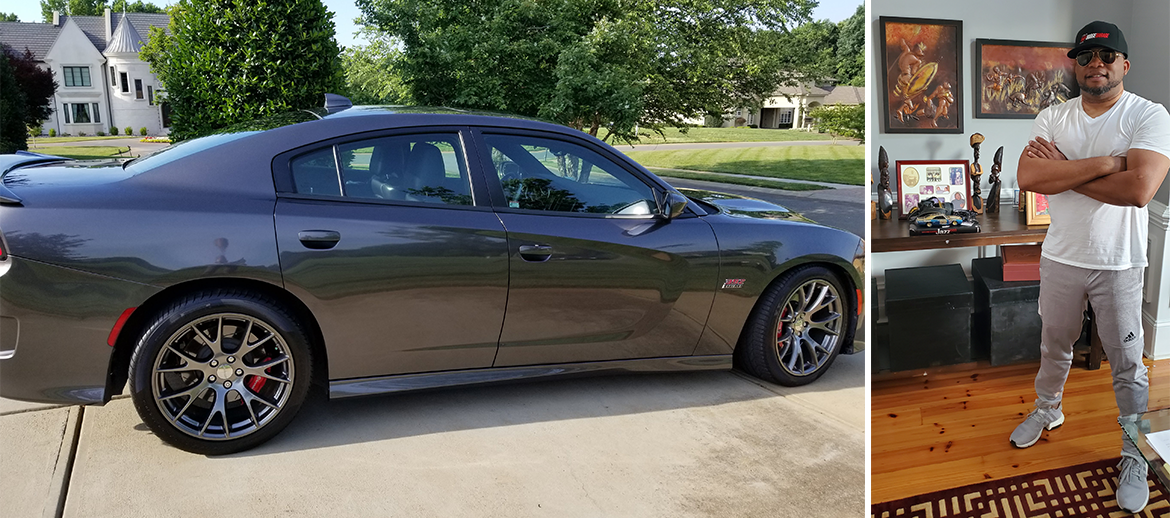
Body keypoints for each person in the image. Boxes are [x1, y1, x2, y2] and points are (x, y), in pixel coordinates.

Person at [1013, 20, 1170, 514]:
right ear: (1075, 64)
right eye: (1085, 57)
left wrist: (1066, 170)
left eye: (1106, 57)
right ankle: (1048, 411)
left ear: (1124, 64)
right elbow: (1029, 176)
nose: (1095, 65)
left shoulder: (1148, 115)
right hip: (1061, 256)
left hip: (1120, 264)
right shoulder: (1052, 117)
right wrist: (1107, 164)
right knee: (1053, 346)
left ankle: (1135, 450)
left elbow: (1139, 191)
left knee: (1128, 367)